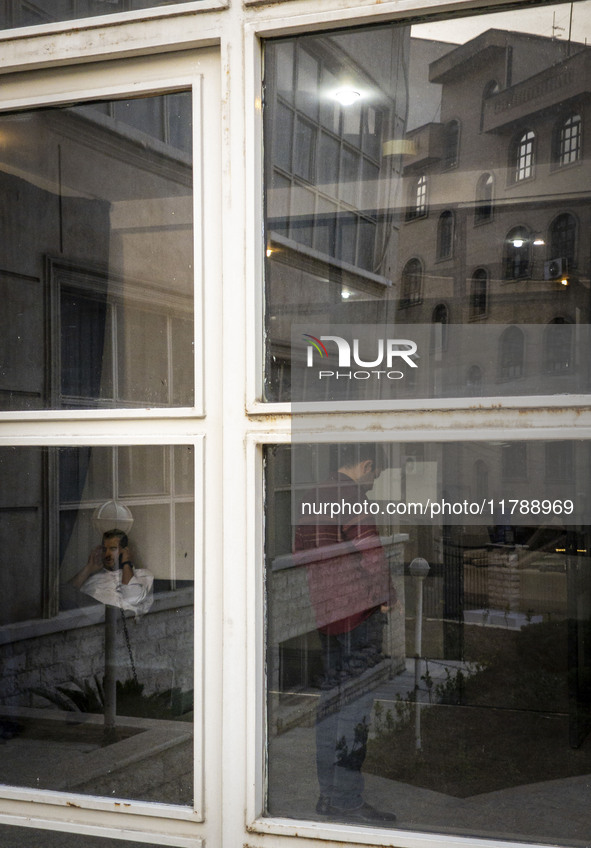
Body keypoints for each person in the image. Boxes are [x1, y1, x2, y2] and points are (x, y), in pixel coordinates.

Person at [294, 444, 398, 824]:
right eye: (375, 475)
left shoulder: (309, 498)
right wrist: (387, 594)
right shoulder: (352, 496)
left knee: (330, 704)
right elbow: (370, 550)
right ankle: (348, 801)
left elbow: (300, 557)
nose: (372, 485)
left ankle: (328, 796)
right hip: (358, 614)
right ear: (367, 464)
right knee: (354, 708)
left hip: (327, 615)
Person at [71, 529, 153, 614]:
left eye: (113, 549)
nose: (107, 554)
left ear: (125, 551)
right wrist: (89, 568)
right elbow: (66, 595)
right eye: (104, 550)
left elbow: (132, 597)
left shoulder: (143, 575)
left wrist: (126, 562)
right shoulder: (92, 578)